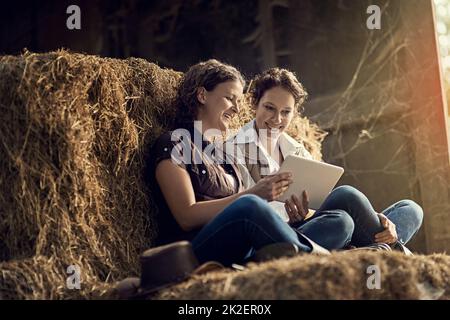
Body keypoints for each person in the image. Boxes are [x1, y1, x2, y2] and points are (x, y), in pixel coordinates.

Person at [148, 60, 354, 266]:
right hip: (198, 250)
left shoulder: (224, 154)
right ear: (202, 95)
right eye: (230, 98)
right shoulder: (176, 142)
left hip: (245, 248)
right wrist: (254, 194)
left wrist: (294, 218)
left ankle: (286, 256)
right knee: (249, 205)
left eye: (239, 101)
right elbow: (186, 216)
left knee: (340, 220)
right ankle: (316, 260)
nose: (237, 109)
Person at [229, 67, 423, 251]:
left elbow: (318, 206)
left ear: (294, 113)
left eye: (286, 112)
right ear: (254, 103)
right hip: (282, 234)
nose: (277, 119)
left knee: (411, 209)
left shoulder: (295, 149)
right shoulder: (235, 147)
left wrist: (372, 217)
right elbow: (242, 212)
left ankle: (380, 247)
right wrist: (294, 218)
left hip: (310, 224)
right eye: (269, 108)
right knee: (343, 210)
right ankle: (392, 251)